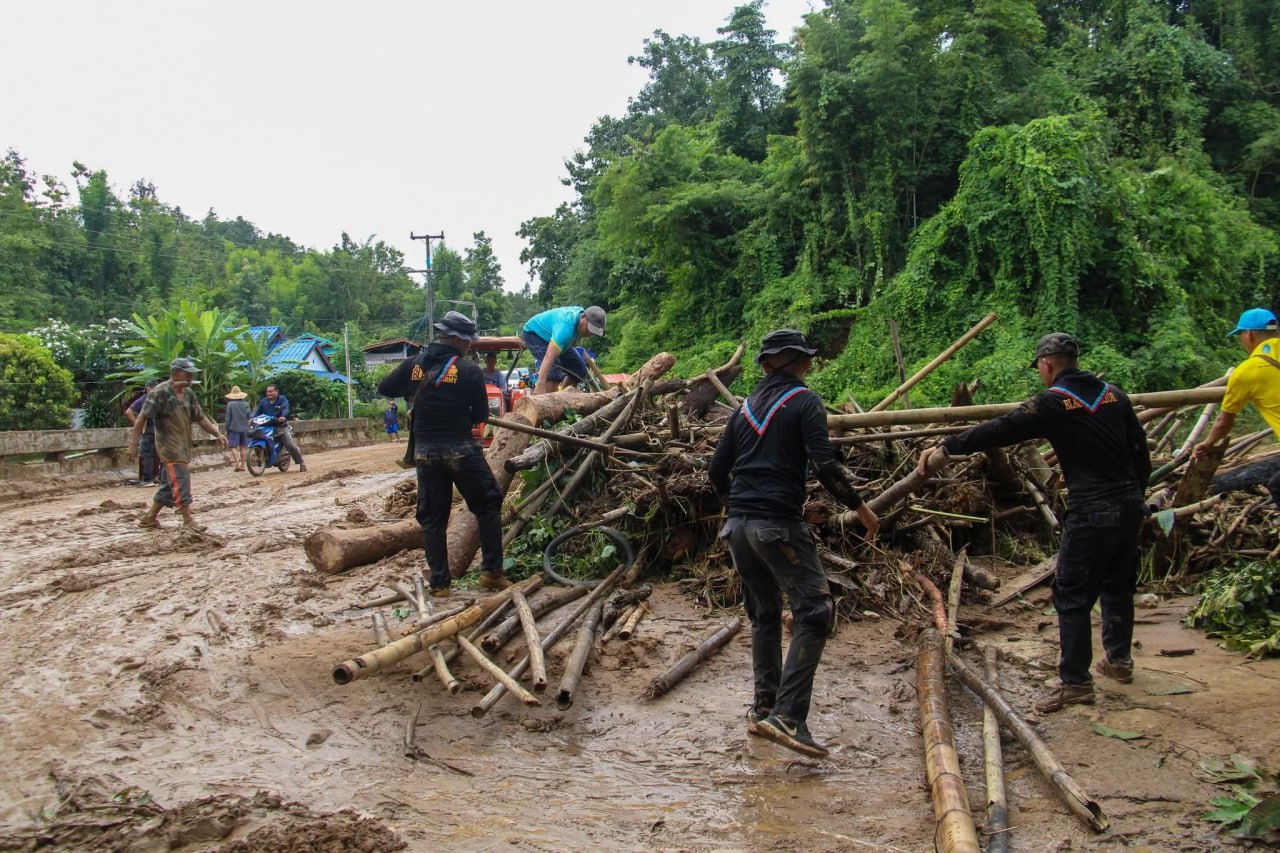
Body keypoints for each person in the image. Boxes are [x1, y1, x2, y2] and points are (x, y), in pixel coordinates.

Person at [918, 333, 1152, 713]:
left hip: (1091, 509)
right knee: (1118, 583)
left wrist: (947, 447)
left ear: (1047, 364)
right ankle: (1119, 660)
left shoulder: (1052, 403)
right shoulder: (1115, 396)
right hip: (1128, 506)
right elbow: (1140, 452)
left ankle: (1076, 683)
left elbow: (1000, 429)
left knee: (1072, 593)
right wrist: (1136, 497)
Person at [708, 329, 879, 758]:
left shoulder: (743, 410)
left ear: (767, 365)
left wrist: (737, 506)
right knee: (816, 612)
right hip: (778, 526)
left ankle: (764, 708)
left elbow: (715, 471)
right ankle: (787, 717)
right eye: (805, 358)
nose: (809, 364)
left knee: (765, 614)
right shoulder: (805, 402)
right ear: (792, 362)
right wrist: (860, 507)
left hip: (739, 529)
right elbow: (824, 463)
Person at [378, 311, 511, 597]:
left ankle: (440, 585)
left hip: (425, 453)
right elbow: (480, 415)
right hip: (460, 450)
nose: (470, 346)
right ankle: (491, 573)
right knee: (488, 504)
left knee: (433, 519)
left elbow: (384, 387)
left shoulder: (413, 365)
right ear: (457, 340)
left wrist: (412, 394)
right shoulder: (469, 371)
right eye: (468, 342)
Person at [1193, 308, 1280, 507]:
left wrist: (1208, 443)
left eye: (1240, 335)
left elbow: (1224, 423)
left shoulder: (1246, 372)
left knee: (1277, 485)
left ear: (1249, 335)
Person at [131, 358, 227, 531]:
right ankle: (187, 520)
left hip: (184, 445)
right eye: (187, 374)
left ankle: (149, 518)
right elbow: (141, 418)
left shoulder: (189, 394)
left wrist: (217, 433)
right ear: (175, 374)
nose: (190, 378)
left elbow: (201, 418)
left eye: (191, 375)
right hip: (169, 447)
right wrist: (133, 445)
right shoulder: (160, 393)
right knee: (181, 479)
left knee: (169, 485)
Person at [521, 305, 607, 394]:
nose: (589, 333)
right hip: (535, 333)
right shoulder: (565, 329)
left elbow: (573, 339)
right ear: (582, 317)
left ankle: (563, 397)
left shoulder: (580, 320)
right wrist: (540, 385)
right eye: (589, 329)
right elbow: (549, 356)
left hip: (556, 337)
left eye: (593, 332)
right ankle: (550, 399)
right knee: (553, 369)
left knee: (579, 370)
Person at [252, 384, 307, 472]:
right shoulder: (263, 401)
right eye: (267, 392)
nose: (269, 393)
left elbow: (286, 409)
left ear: (276, 391)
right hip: (267, 427)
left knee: (290, 445)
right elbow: (258, 412)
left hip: (280, 426)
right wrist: (252, 418)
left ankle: (301, 462)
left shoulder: (282, 399)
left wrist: (283, 416)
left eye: (271, 391)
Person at [124, 379, 158, 486]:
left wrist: (137, 425)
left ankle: (148, 479)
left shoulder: (145, 399)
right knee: (157, 455)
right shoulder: (160, 399)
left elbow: (129, 412)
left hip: (148, 431)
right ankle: (157, 477)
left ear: (147, 388)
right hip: (158, 432)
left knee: (147, 455)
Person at [224, 385, 251, 471]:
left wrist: (227, 428)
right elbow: (249, 416)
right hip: (245, 428)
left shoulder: (230, 404)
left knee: (233, 447)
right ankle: (243, 465)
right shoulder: (246, 404)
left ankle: (237, 464)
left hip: (233, 428)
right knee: (243, 447)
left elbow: (228, 418)